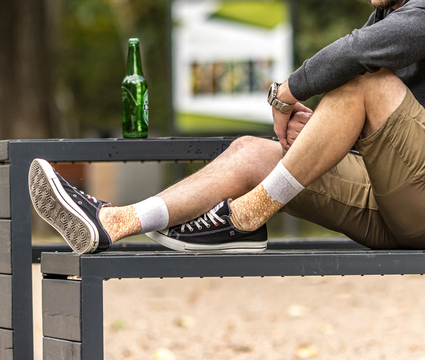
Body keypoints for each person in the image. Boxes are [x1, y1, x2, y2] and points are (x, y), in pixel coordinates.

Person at [29, 0, 425, 254]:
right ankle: (115, 221)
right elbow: (394, 128)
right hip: (393, 205)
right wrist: (327, 131)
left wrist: (285, 93)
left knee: (365, 80)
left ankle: (246, 215)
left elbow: (356, 54)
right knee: (249, 152)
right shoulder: (388, 13)